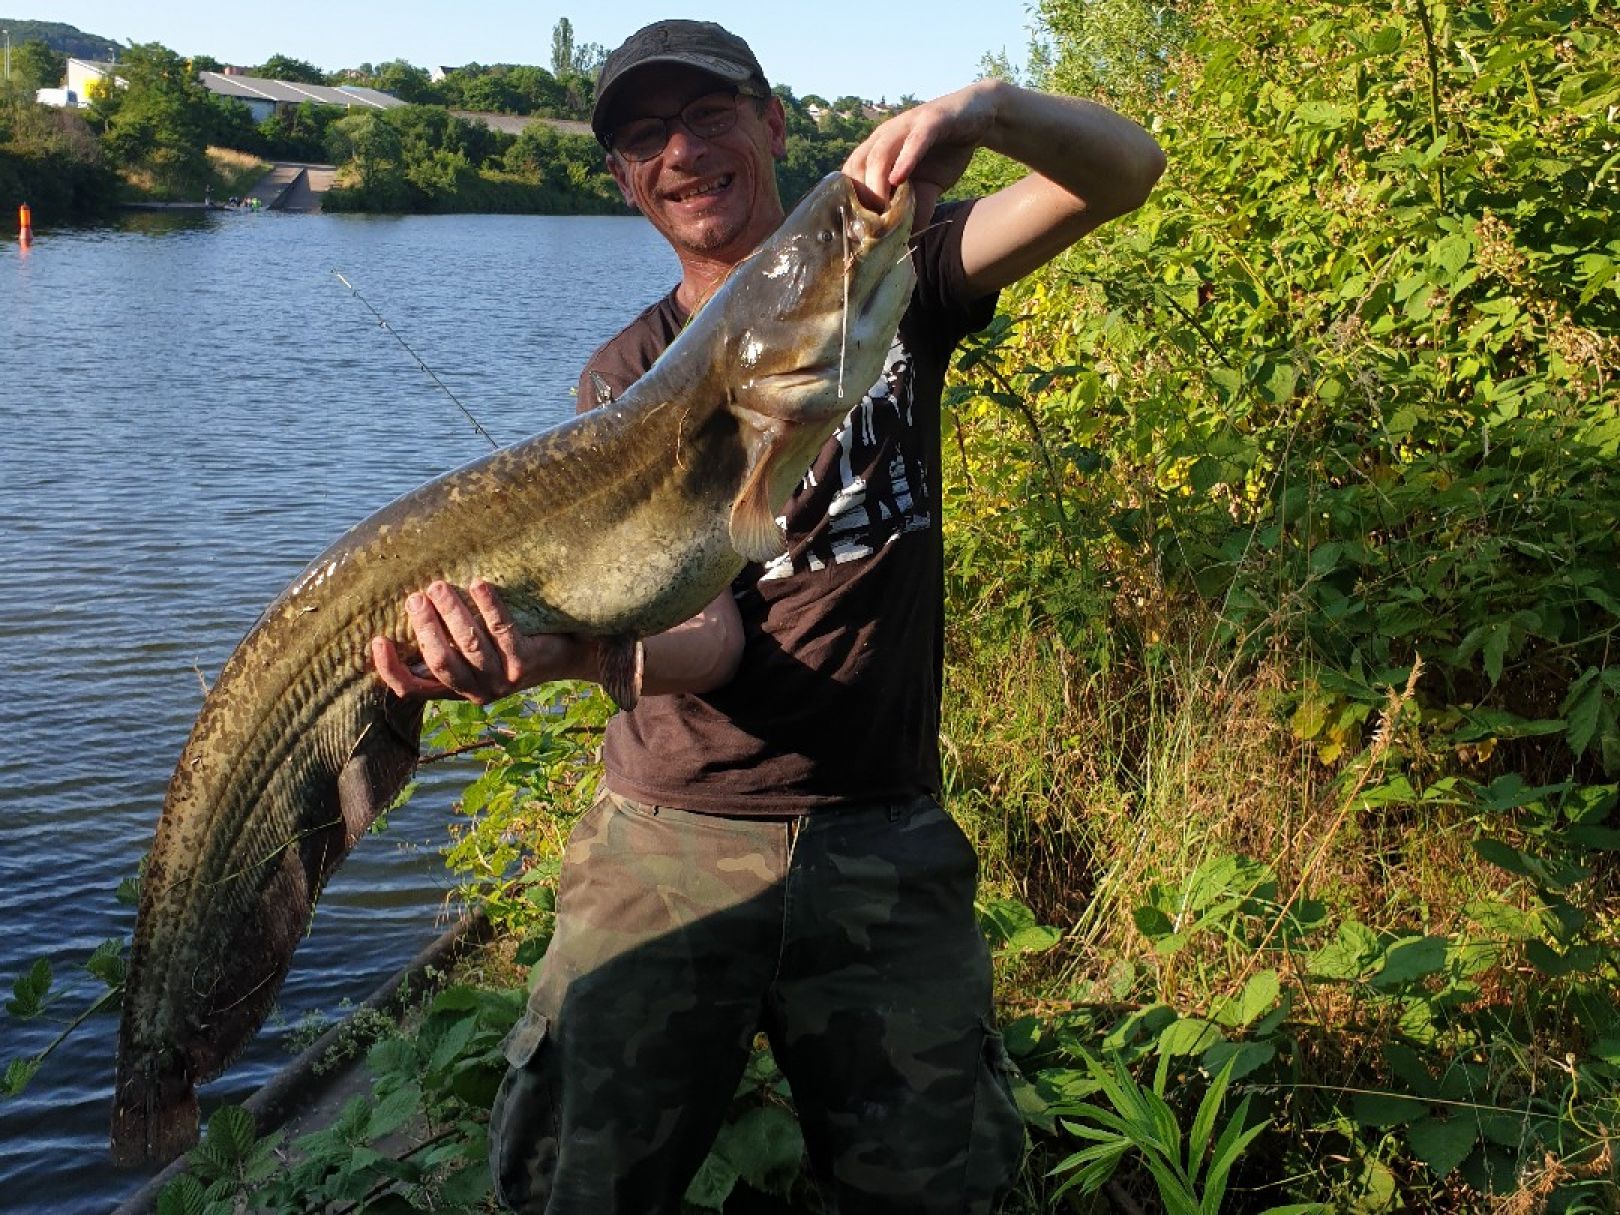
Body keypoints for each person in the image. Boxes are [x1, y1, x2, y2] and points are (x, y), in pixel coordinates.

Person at [371, 18, 1164, 1214]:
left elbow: (1125, 172)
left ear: (773, 122)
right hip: (668, 833)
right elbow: (710, 638)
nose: (681, 151)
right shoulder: (625, 377)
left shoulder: (898, 283)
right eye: (645, 138)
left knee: (939, 1188)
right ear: (625, 181)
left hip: (880, 823)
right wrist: (561, 653)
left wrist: (986, 110)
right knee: (580, 1186)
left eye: (707, 116)